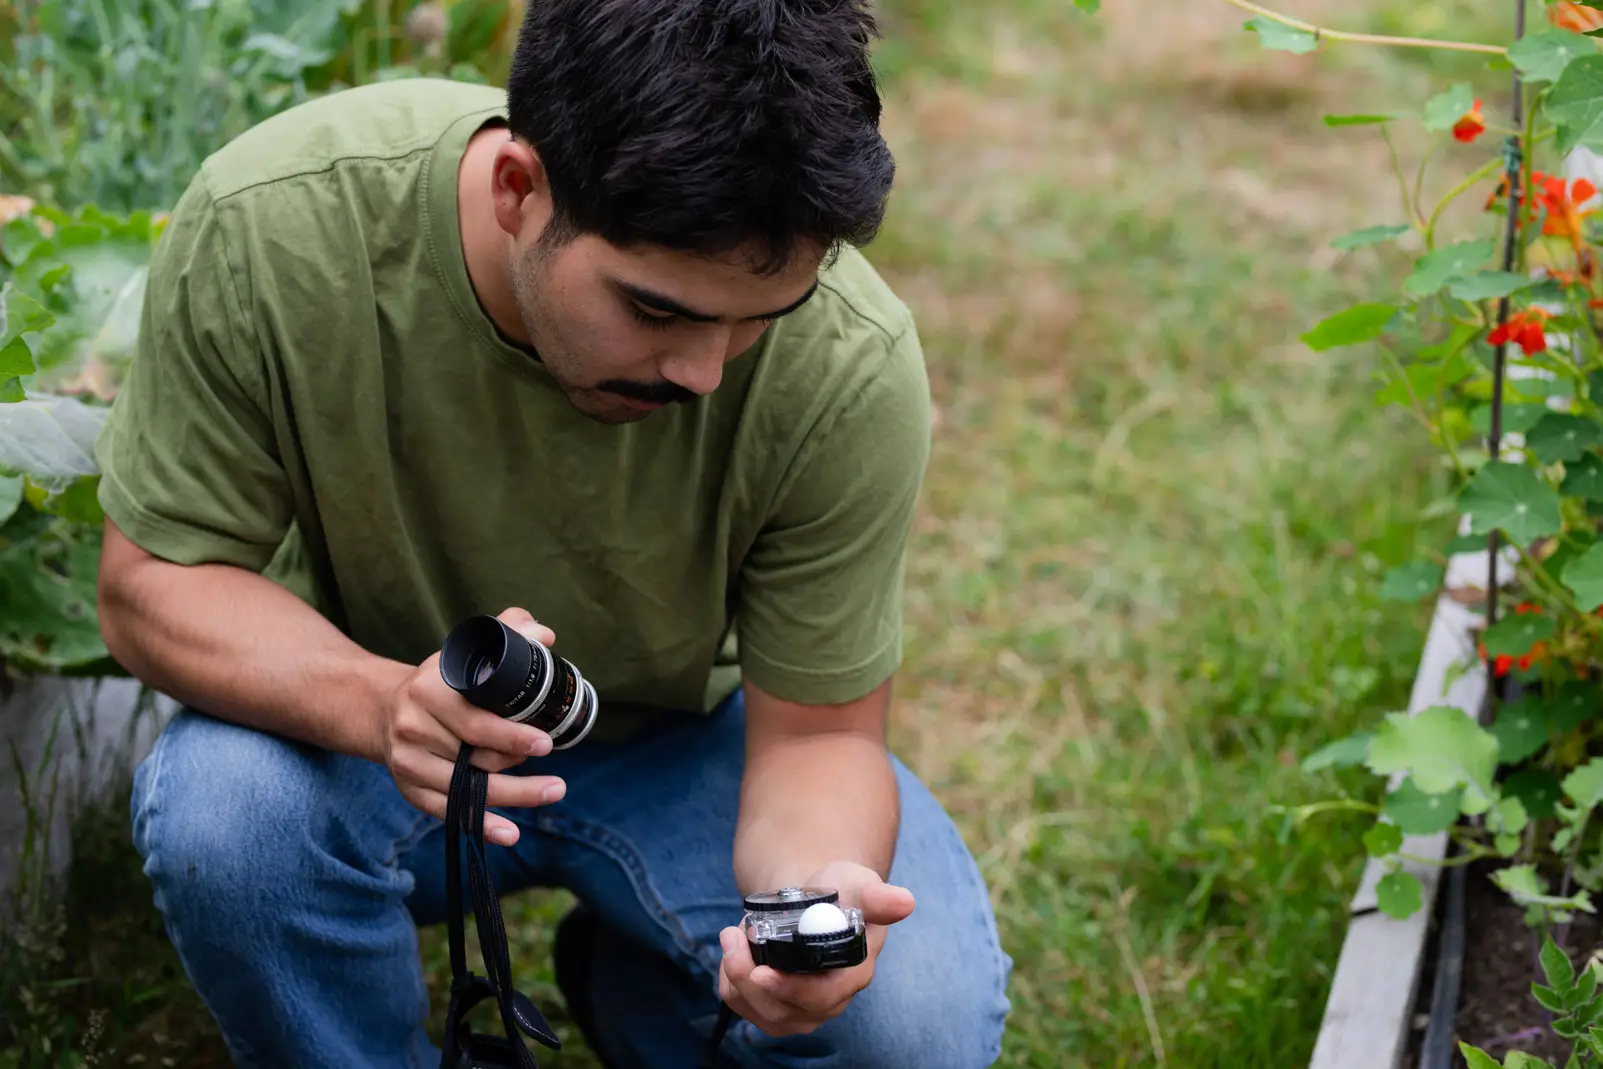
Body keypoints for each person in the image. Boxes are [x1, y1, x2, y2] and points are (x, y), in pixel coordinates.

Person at [94, 0, 1012, 1065]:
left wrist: (808, 904)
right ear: (518, 190)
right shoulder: (281, 226)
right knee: (228, 816)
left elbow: (817, 735)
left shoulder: (850, 363)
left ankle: (638, 987)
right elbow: (151, 582)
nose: (704, 372)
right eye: (657, 310)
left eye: (760, 318)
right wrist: (385, 702)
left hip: (683, 738)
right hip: (373, 727)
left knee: (913, 1026)